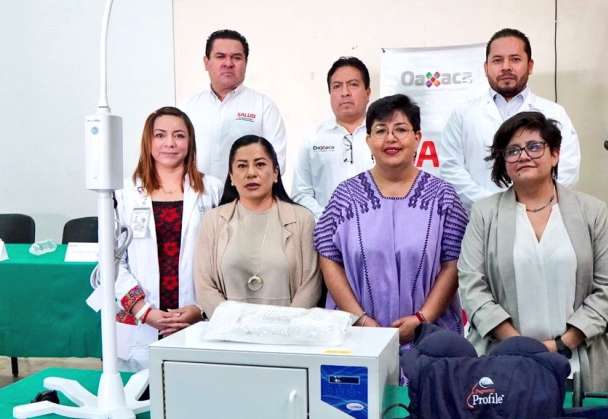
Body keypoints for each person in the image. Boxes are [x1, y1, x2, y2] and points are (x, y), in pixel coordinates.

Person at [457, 111, 608, 391]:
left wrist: (563, 344)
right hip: (501, 357)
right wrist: (516, 344)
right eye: (513, 150)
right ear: (504, 162)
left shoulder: (592, 212)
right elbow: (471, 284)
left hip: (576, 358)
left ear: (555, 154)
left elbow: (606, 288)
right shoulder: (484, 213)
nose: (523, 155)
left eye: (534, 147)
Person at [314, 94, 468, 344]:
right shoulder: (345, 196)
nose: (391, 138)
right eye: (381, 130)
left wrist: (422, 318)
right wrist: (360, 319)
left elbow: (453, 264)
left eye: (401, 129)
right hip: (356, 335)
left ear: (417, 137)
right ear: (368, 140)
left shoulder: (443, 197)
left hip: (428, 338)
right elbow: (328, 258)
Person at [114, 106, 223, 371]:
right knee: (139, 398)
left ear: (190, 142)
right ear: (148, 142)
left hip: (196, 317)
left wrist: (201, 307)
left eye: (179, 136)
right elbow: (110, 261)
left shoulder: (213, 190)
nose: (170, 144)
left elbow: (224, 257)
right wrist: (143, 311)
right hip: (140, 324)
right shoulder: (123, 193)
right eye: (160, 135)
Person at [440, 28, 580, 208]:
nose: (506, 67)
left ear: (530, 66)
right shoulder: (463, 114)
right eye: (497, 60)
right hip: (479, 220)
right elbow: (451, 168)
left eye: (515, 59)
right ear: (486, 67)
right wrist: (490, 206)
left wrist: (529, 206)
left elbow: (567, 169)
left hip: (539, 219)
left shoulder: (554, 113)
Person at [194, 135, 321, 318]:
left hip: (287, 336)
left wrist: (283, 327)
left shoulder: (302, 219)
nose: (251, 173)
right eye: (242, 166)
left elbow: (311, 285)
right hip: (228, 335)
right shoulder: (213, 220)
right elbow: (205, 286)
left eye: (260, 164)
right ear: (231, 176)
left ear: (276, 172)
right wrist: (234, 325)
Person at [182, 29, 288, 181]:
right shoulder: (188, 107)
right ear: (206, 62)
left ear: (246, 63)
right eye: (220, 56)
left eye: (236, 57)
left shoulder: (264, 106)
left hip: (245, 199)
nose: (228, 63)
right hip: (197, 197)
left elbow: (277, 164)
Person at [292, 56, 374, 218]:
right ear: (330, 93)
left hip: (376, 230)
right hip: (328, 234)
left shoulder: (382, 136)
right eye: (337, 86)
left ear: (368, 92)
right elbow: (301, 193)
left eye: (353, 85)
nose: (345, 93)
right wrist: (328, 220)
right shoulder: (313, 138)